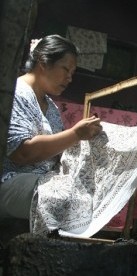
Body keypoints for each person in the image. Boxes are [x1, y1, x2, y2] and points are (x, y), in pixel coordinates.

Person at [0, 34, 102, 220]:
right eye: (65, 69)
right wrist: (75, 134)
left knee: (86, 194)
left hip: (41, 179)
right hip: (9, 180)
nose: (69, 78)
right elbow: (21, 153)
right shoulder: (15, 92)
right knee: (61, 198)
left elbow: (57, 152)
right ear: (43, 62)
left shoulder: (51, 107)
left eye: (72, 73)